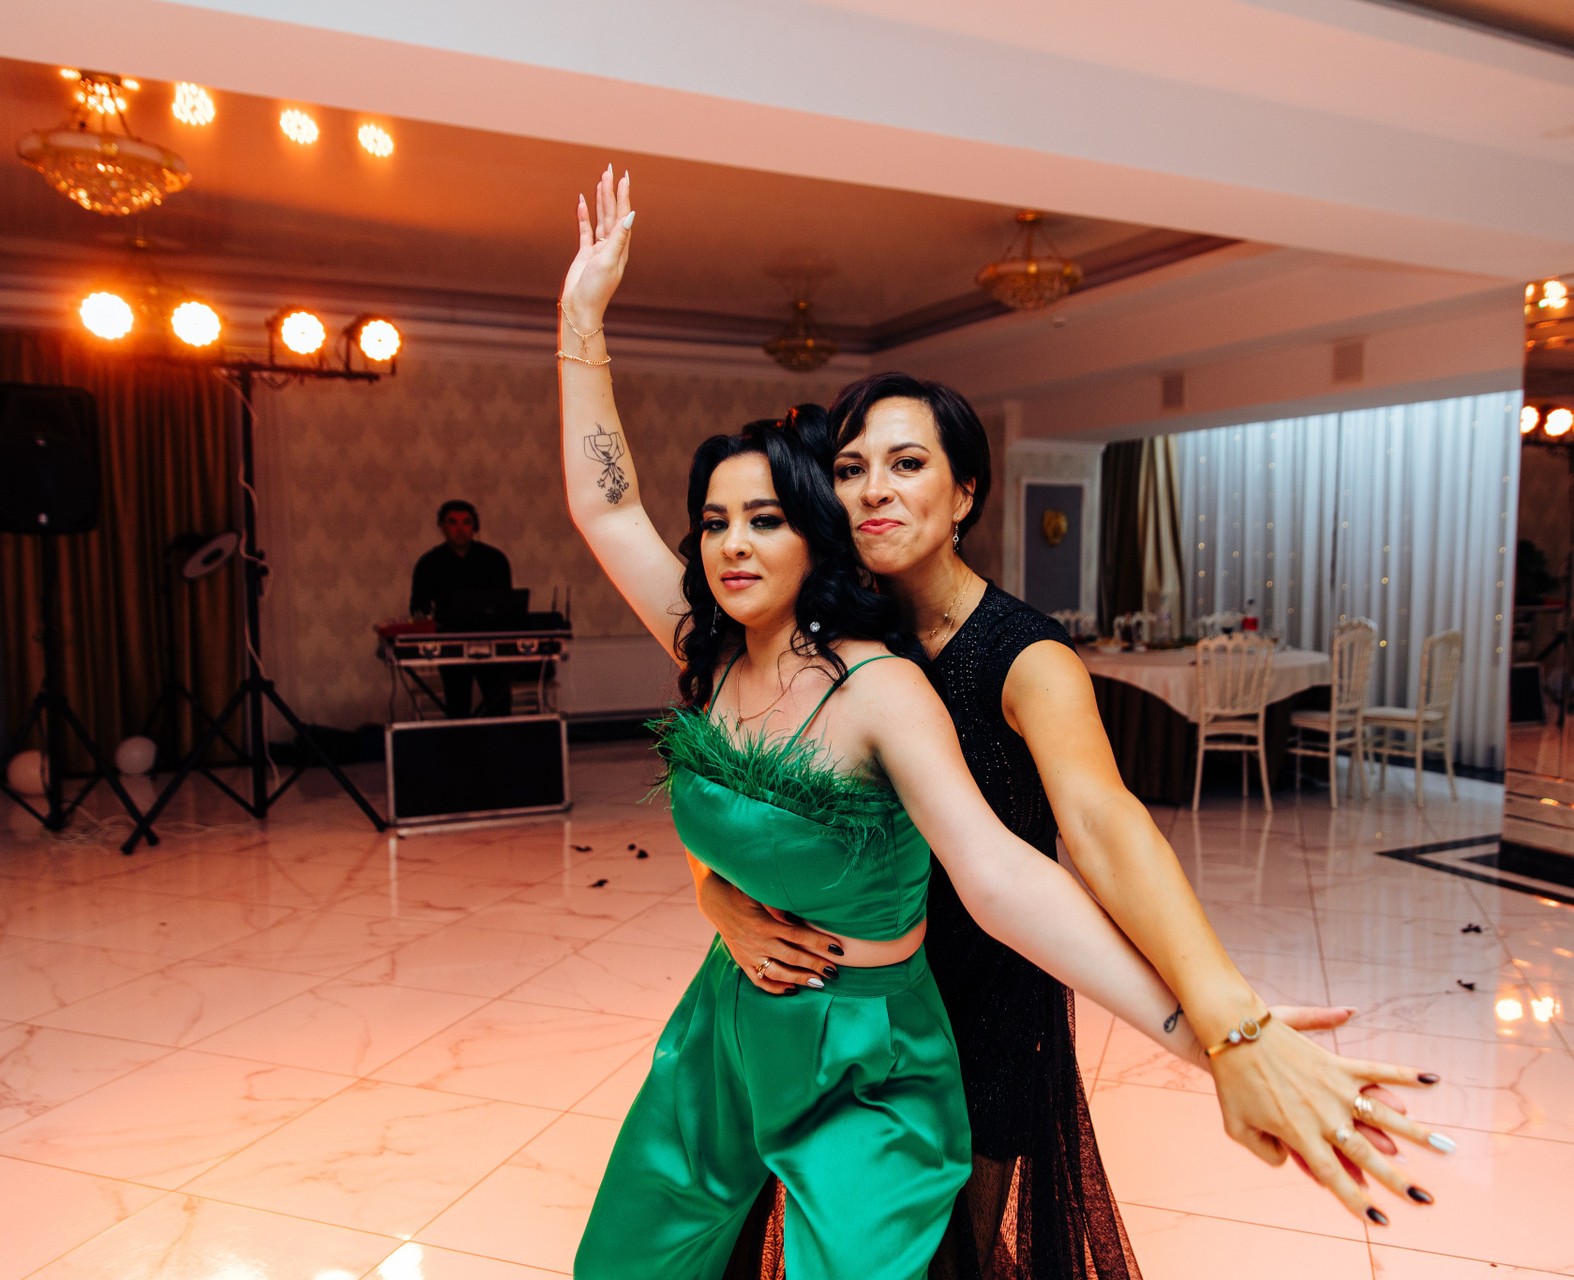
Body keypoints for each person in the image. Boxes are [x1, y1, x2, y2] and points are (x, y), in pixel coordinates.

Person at [558, 168, 1445, 1280]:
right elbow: (729, 740)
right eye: (849, 469)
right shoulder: (789, 626)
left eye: (908, 465)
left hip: (972, 997)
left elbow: (1092, 829)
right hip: (789, 989)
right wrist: (718, 895)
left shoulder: (1013, 656)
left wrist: (1225, 1025)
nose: (875, 491)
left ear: (966, 492)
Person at [410, 499, 515, 716]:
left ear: (475, 527)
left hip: (491, 641)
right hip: (451, 644)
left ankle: (500, 737)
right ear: (442, 527)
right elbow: (418, 606)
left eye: (466, 522)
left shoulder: (494, 560)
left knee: (499, 704)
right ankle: (461, 738)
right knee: (457, 704)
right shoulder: (430, 563)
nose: (460, 529)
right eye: (453, 522)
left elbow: (506, 605)